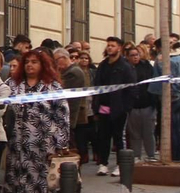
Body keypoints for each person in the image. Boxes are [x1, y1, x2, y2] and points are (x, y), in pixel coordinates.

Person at [1, 48, 69, 193]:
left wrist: (60, 143)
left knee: (37, 176)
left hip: (41, 142)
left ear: (43, 65)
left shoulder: (52, 86)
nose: (30, 65)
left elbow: (62, 115)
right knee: (13, 175)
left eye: (34, 62)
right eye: (27, 62)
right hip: (16, 139)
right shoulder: (13, 84)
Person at [91, 37, 134, 176]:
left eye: (113, 45)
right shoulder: (103, 65)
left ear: (119, 48)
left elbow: (131, 88)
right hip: (103, 107)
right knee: (103, 137)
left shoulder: (125, 66)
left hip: (119, 108)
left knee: (119, 137)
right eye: (108, 45)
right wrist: (96, 105)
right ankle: (103, 164)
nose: (109, 47)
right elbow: (96, 86)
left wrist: (125, 107)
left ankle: (120, 165)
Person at [124, 43, 159, 163]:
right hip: (132, 106)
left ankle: (151, 155)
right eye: (132, 55)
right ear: (127, 57)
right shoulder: (126, 68)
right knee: (135, 134)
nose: (135, 57)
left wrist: (154, 101)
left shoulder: (147, 66)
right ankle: (136, 156)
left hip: (147, 104)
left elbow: (153, 83)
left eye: (137, 55)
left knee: (149, 132)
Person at [60, 48, 91, 164]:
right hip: (75, 116)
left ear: (63, 58)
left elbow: (72, 99)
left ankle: (75, 167)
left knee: (76, 144)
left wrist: (70, 121)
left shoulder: (73, 72)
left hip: (77, 115)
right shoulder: (71, 71)